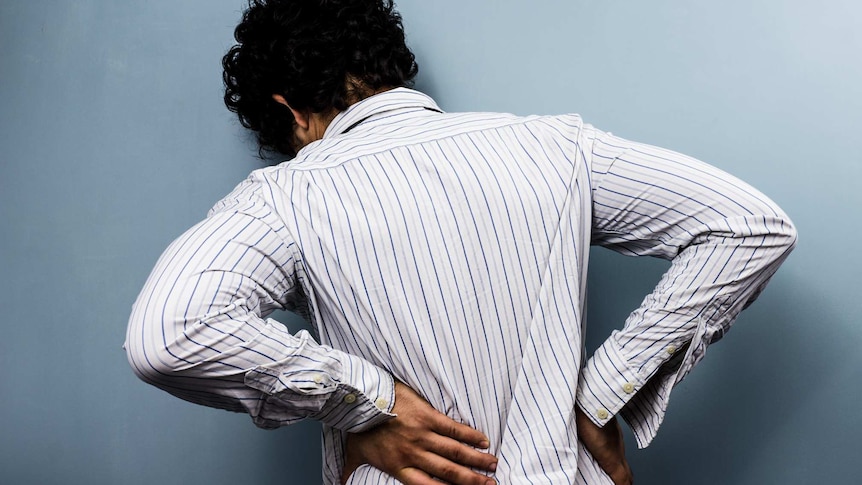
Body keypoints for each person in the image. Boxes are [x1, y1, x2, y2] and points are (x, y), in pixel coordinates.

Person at [124, 1, 797, 484]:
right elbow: (750, 225)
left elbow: (170, 333)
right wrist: (599, 395)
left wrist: (364, 397)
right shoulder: (554, 149)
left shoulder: (284, 197)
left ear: (289, 111)